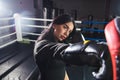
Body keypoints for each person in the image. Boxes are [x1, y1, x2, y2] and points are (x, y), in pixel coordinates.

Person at [33, 14, 107, 80]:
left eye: (69, 31)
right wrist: (93, 49)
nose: (66, 34)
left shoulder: (59, 42)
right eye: (65, 27)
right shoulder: (42, 46)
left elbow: (62, 70)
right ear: (54, 24)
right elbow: (59, 50)